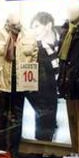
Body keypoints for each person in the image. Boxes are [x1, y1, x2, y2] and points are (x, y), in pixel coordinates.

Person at [27, 12, 59, 141]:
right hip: (44, 97)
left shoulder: (64, 41)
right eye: (32, 27)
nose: (34, 31)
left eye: (37, 26)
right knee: (44, 131)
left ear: (48, 26)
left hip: (66, 94)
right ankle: (42, 156)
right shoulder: (35, 48)